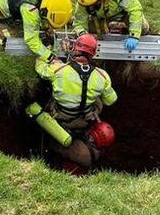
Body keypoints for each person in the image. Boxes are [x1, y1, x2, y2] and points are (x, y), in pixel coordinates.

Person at [29, 33, 117, 172]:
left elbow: (40, 68)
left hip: (60, 119)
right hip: (85, 120)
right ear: (93, 54)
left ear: (76, 50)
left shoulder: (60, 70)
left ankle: (49, 144)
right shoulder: (102, 75)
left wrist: (46, 51)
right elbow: (111, 100)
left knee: (49, 95)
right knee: (99, 100)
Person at [0, 0, 73, 60]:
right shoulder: (30, 9)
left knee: (29, 30)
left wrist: (47, 28)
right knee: (11, 42)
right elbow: (31, 39)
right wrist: (49, 57)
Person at [73, 0, 147, 52]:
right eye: (88, 6)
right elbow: (79, 23)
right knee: (92, 32)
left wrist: (134, 36)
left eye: (94, 4)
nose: (91, 8)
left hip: (123, 14)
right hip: (100, 18)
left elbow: (135, 9)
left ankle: (126, 27)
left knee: (142, 28)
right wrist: (83, 35)